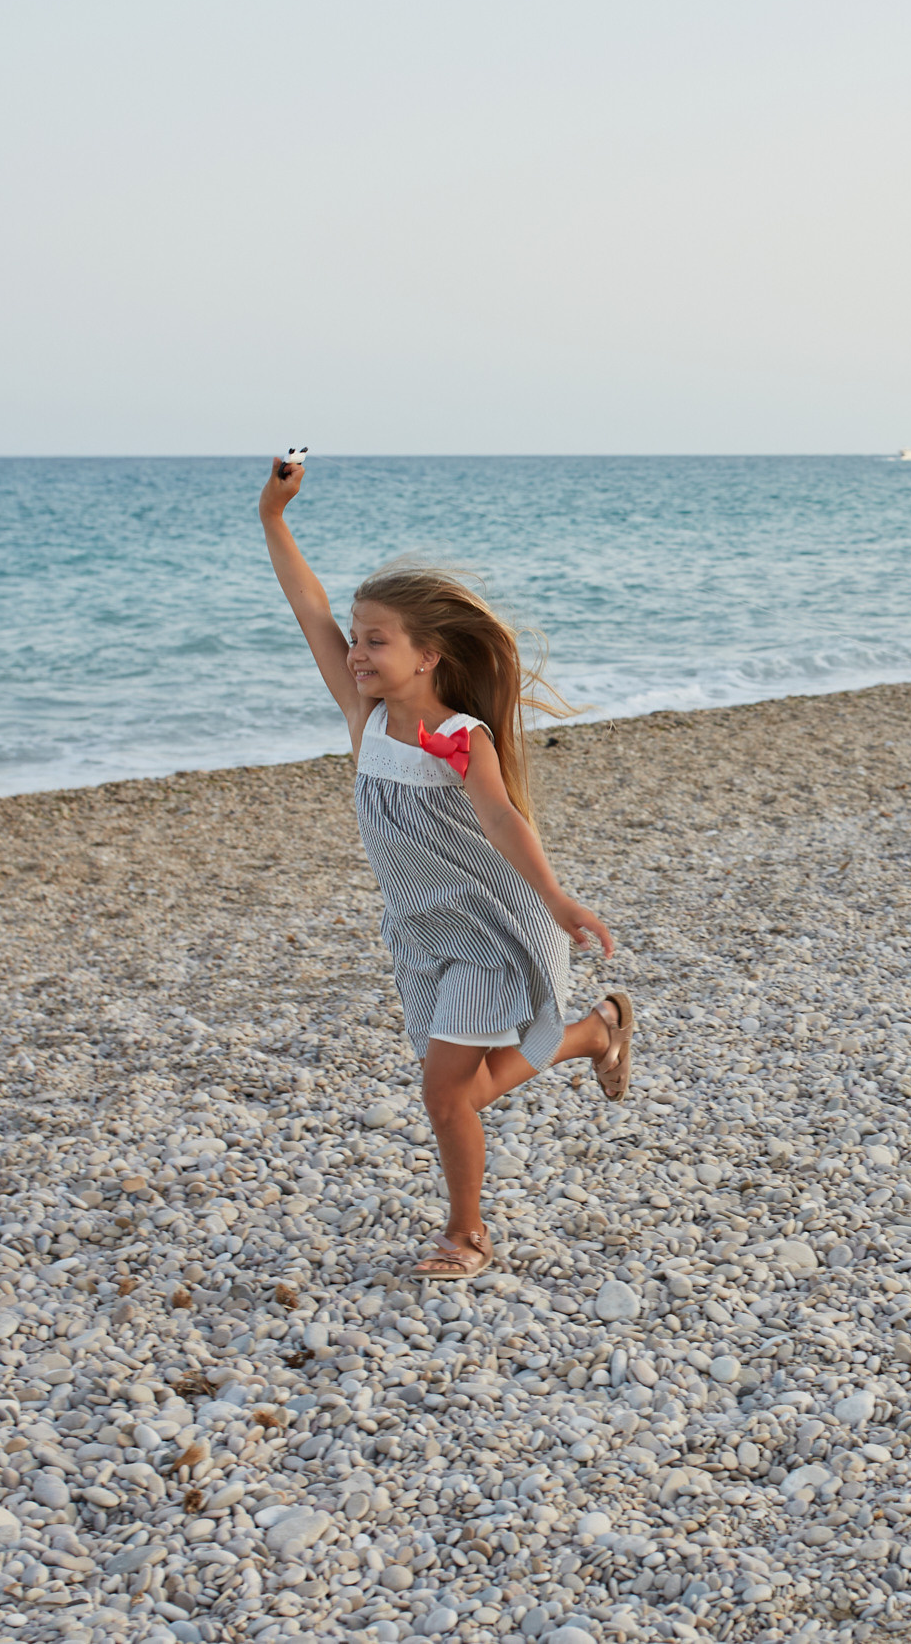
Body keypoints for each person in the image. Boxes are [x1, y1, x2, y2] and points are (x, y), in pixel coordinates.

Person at [258, 456, 633, 1281]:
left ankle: (468, 1235)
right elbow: (308, 607)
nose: (356, 651)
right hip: (425, 927)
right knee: (460, 1086)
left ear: (428, 656)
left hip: (496, 926)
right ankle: (593, 1032)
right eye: (356, 637)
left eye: (376, 640)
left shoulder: (461, 736)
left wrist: (558, 897)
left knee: (445, 1092)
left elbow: (501, 817)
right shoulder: (365, 714)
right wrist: (273, 518)